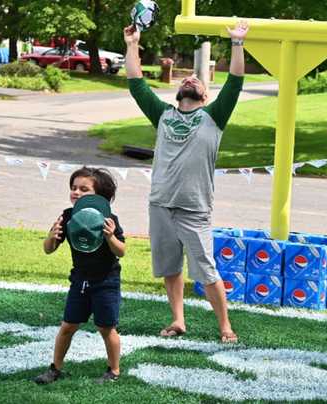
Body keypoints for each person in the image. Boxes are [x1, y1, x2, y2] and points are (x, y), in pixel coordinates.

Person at [124, 21, 248, 343]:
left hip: (194, 209)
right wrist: (133, 44)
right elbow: (136, 83)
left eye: (199, 81)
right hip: (161, 205)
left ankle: (225, 327)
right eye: (188, 78)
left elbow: (235, 81)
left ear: (205, 97)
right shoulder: (163, 115)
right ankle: (178, 321)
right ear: (179, 93)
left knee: (206, 271)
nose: (192, 80)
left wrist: (237, 43)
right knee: (169, 268)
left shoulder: (213, 118)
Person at [34, 167, 127, 385]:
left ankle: (113, 370)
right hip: (80, 280)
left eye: (84, 189)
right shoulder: (68, 216)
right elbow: (49, 248)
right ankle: (55, 368)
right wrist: (51, 236)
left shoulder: (109, 219)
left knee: (106, 328)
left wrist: (110, 237)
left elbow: (121, 251)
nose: (76, 192)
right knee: (68, 326)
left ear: (100, 196)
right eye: (73, 188)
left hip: (106, 281)